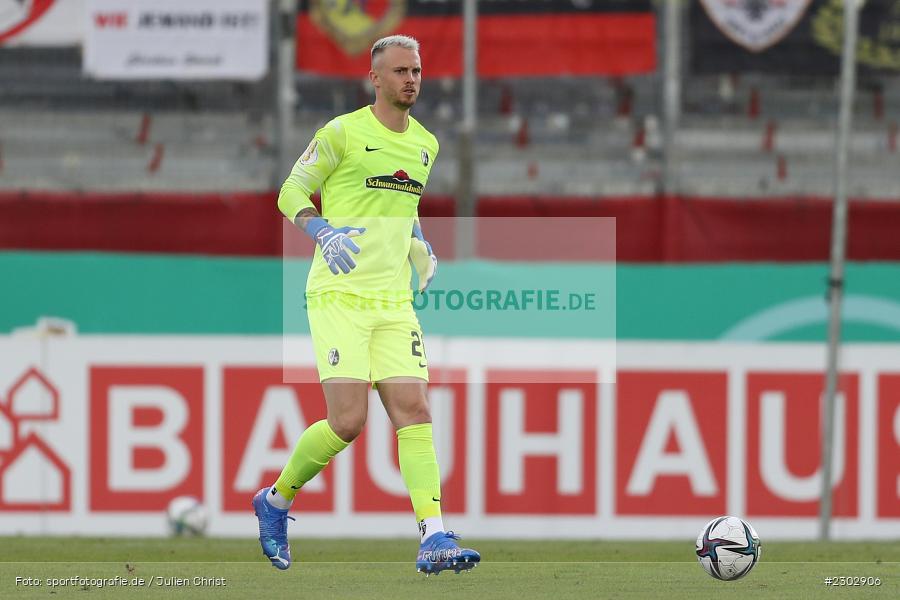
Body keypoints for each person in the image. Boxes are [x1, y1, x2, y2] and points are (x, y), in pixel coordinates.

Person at [252, 34, 480, 576]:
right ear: (374, 79)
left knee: (414, 410)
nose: (411, 79)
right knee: (348, 422)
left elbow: (405, 207)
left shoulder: (426, 144)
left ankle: (435, 535)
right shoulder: (342, 133)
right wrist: (322, 230)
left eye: (417, 70)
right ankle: (276, 500)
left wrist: (419, 246)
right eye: (400, 71)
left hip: (393, 300)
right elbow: (290, 191)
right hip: (338, 295)